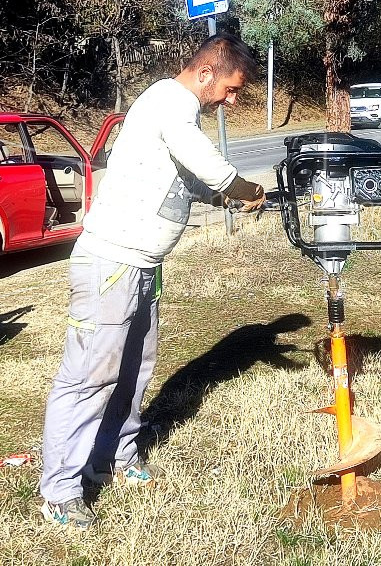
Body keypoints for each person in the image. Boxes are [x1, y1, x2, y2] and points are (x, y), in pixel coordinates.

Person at [39, 33, 267, 529]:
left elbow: (182, 184)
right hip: (111, 262)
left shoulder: (178, 114)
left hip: (143, 265)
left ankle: (115, 458)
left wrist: (225, 199)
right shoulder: (170, 102)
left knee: (134, 370)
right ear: (206, 73)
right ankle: (60, 490)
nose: (232, 100)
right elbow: (210, 167)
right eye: (230, 89)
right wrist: (245, 189)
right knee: (87, 378)